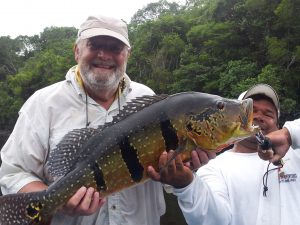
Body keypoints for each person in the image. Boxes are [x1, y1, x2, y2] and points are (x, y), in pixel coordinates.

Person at [0, 15, 167, 225]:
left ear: (127, 55)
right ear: (77, 51)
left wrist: (185, 170)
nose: (104, 55)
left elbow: (166, 169)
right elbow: (13, 172)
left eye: (115, 48)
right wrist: (56, 200)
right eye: (94, 45)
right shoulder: (43, 103)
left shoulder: (147, 99)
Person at [148, 84, 300, 225]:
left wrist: (290, 133)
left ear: (278, 124)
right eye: (252, 110)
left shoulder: (295, 155)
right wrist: (186, 186)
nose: (259, 116)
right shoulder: (213, 167)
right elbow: (214, 220)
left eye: (268, 114)